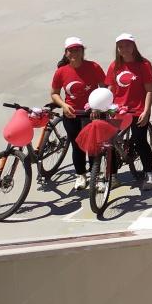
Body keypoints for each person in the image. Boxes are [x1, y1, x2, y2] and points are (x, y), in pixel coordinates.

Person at [50, 37, 105, 190]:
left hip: (92, 114)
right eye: (71, 50)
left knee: (93, 146)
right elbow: (54, 93)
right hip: (71, 114)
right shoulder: (61, 72)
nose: (74, 53)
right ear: (66, 53)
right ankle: (81, 175)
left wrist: (98, 107)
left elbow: (104, 88)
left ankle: (97, 176)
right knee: (77, 146)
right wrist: (64, 105)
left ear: (83, 51)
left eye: (77, 49)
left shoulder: (93, 67)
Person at [105, 33, 152, 189]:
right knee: (110, 141)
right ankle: (113, 176)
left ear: (133, 46)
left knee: (140, 140)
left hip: (138, 110)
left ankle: (148, 173)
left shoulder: (144, 65)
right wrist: (107, 107)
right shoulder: (114, 66)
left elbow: (149, 91)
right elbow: (109, 89)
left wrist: (146, 111)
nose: (124, 49)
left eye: (127, 45)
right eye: (120, 46)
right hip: (118, 110)